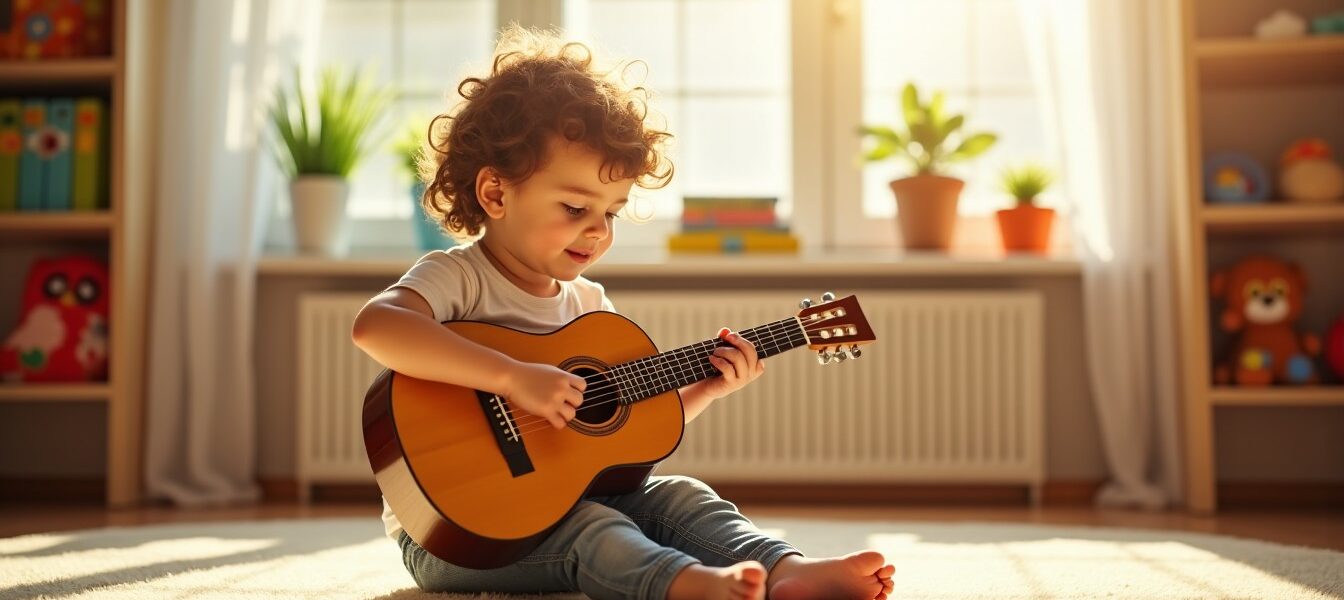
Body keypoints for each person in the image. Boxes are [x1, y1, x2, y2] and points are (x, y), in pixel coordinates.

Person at [351, 25, 895, 600]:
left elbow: (622, 434)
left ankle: (786, 571)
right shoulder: (458, 275)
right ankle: (687, 587)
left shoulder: (591, 307)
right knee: (596, 528)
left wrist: (707, 389)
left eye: (612, 212)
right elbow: (377, 327)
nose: (598, 230)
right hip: (454, 538)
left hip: (568, 501)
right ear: (495, 194)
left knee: (682, 495)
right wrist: (512, 377)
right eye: (575, 206)